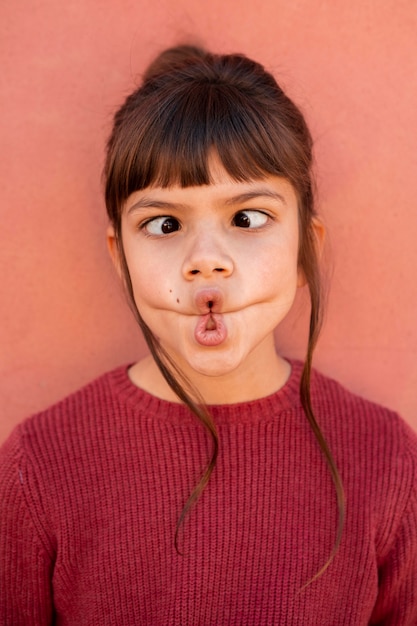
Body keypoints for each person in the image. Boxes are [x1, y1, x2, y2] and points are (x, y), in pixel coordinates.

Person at [1, 45, 416, 625]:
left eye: (247, 219)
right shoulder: (38, 467)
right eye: (164, 224)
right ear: (119, 257)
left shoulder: (387, 459)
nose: (206, 261)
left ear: (305, 251)